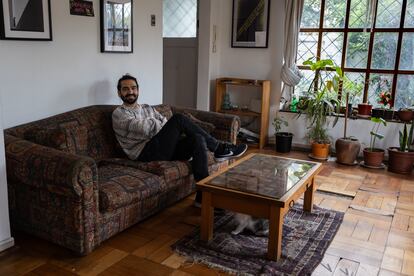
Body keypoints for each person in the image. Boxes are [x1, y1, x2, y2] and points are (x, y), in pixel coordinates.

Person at [112, 74, 248, 205]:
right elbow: (143, 128)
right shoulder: (119, 114)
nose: (130, 91)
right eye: (125, 89)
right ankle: (218, 148)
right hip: (145, 153)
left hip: (163, 147)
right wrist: (159, 125)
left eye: (133, 88)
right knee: (178, 119)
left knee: (197, 138)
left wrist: (157, 125)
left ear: (138, 90)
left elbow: (162, 123)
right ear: (119, 93)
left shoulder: (147, 108)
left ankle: (203, 195)